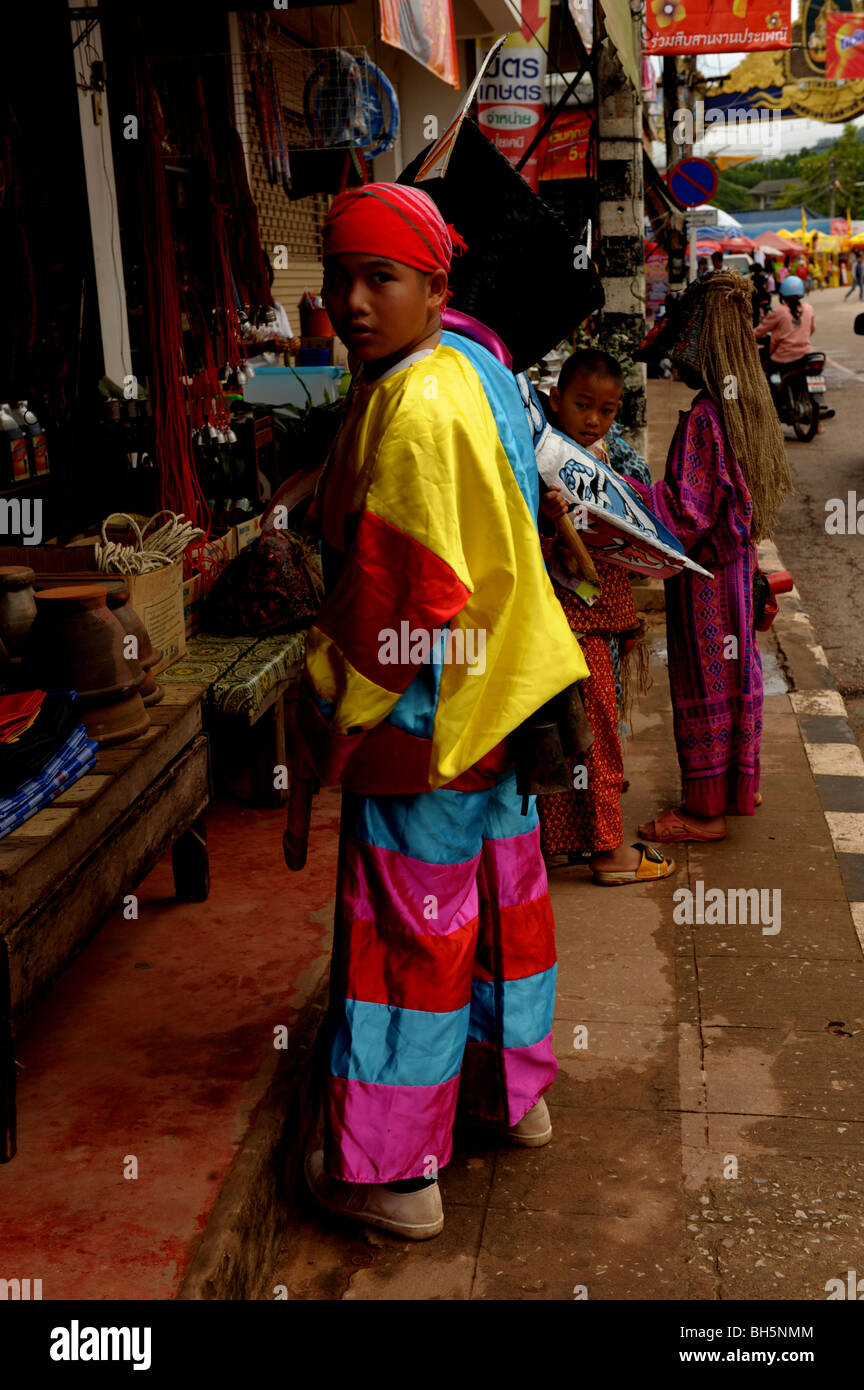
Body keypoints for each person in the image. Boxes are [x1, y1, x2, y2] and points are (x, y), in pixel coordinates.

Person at [296, 182, 589, 1240]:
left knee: (404, 944)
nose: (354, 303)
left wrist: (332, 710)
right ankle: (513, 1098)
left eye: (381, 278)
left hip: (428, 715)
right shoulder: (478, 361)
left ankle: (392, 1172)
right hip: (507, 691)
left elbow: (403, 598)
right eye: (339, 279)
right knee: (503, 911)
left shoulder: (413, 405)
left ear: (434, 286)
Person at [629, 272, 792, 843]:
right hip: (739, 575)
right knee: (738, 673)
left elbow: (686, 512)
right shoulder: (747, 404)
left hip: (707, 584)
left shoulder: (705, 416)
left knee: (707, 683)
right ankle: (738, 786)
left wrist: (627, 500)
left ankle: (704, 812)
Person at [535, 349, 675, 886]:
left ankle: (574, 841)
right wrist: (552, 521)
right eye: (583, 405)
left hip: (605, 620)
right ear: (556, 400)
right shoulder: (536, 463)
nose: (594, 420)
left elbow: (644, 533)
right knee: (587, 738)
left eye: (608, 410)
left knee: (590, 731)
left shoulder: (620, 463)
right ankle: (608, 852)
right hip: (565, 622)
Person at [754, 275, 814, 369]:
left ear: (782, 294)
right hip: (805, 353)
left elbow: (759, 332)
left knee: (764, 369)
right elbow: (811, 330)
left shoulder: (779, 311)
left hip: (783, 356)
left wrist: (745, 335)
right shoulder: (808, 308)